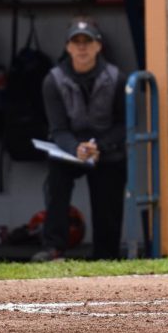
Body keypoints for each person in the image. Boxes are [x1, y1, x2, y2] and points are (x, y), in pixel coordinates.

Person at [32, 17, 127, 261]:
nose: (82, 47)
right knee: (56, 182)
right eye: (76, 42)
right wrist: (76, 148)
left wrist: (100, 147)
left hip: (106, 148)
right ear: (68, 47)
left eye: (88, 41)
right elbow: (57, 129)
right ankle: (54, 248)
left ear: (98, 46)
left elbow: (123, 124)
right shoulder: (53, 80)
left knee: (109, 187)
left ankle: (106, 254)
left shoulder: (116, 78)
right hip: (69, 147)